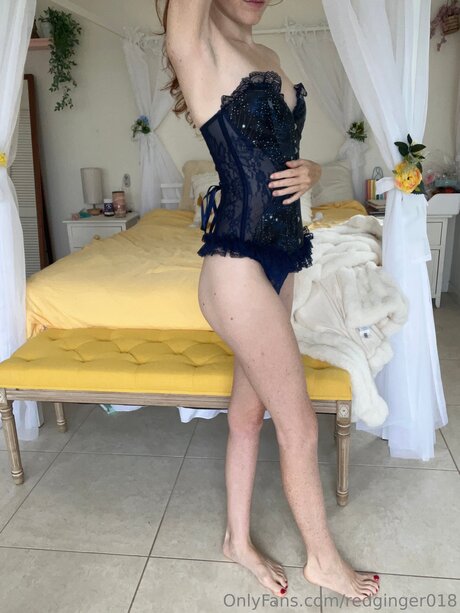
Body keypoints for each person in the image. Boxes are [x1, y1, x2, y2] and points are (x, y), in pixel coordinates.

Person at [156, 0, 380, 602]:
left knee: (249, 415)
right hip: (236, 266)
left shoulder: (269, 55)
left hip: (284, 254)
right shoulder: (197, 48)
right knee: (300, 425)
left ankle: (237, 540)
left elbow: (281, 154)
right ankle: (323, 561)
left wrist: (312, 172)